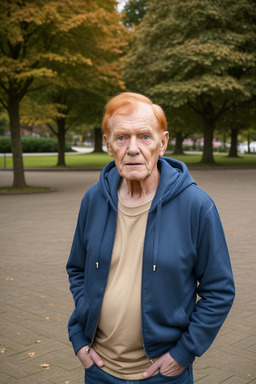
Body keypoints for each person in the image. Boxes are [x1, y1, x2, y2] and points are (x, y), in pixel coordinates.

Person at [66, 92, 235, 384]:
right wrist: (80, 337)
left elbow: (219, 290)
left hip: (163, 373)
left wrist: (184, 353)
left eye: (144, 136)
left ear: (163, 142)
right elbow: (77, 270)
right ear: (108, 145)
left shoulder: (196, 206)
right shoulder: (93, 199)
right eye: (121, 138)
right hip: (98, 370)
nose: (133, 149)